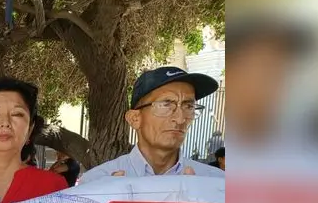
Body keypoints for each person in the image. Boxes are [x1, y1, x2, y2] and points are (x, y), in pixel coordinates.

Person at [78, 67, 226, 183]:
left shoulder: (216, 184)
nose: (180, 119)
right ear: (135, 118)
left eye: (188, 106)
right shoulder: (97, 182)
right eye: (166, 105)